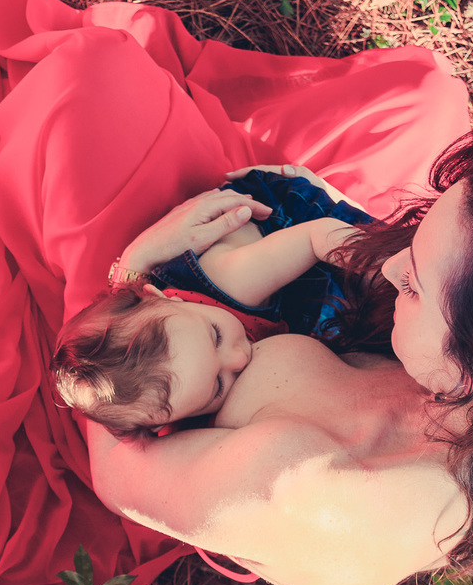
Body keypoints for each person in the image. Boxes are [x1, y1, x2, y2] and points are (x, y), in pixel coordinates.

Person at [83, 128, 473, 585]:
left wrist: (128, 277)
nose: (388, 268)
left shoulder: (304, 487)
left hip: (149, 387)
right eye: (415, 240)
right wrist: (322, 209)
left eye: (412, 284)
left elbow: (115, 471)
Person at [52, 173, 359, 435]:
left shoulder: (232, 281)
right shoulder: (184, 379)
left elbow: (316, 236)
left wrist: (377, 263)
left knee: (362, 290)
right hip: (281, 302)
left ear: (161, 296)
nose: (238, 359)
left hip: (289, 226)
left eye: (216, 336)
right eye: (216, 386)